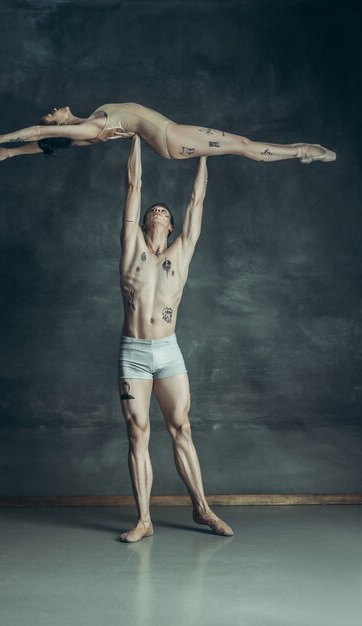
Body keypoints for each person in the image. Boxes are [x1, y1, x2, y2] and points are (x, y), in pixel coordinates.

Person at [117, 134, 233, 543]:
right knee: (138, 432)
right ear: (148, 220)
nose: (161, 211)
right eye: (155, 209)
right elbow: (134, 185)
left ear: (172, 224)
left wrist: (203, 153)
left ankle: (202, 508)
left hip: (168, 352)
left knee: (181, 427)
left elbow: (196, 201)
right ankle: (144, 520)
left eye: (166, 210)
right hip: (134, 353)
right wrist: (134, 135)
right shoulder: (132, 248)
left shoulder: (181, 253)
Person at [0, 102, 336, 164]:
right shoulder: (91, 127)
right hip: (171, 138)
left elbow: (46, 144)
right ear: (60, 122)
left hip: (170, 138)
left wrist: (13, 152)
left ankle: (300, 151)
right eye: (51, 115)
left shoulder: (84, 131)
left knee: (240, 145)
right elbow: (39, 131)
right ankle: (300, 152)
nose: (52, 111)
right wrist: (1, 139)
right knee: (241, 145)